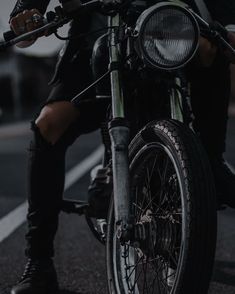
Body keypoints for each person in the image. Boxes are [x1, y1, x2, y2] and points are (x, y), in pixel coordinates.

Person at [8, 0, 235, 293]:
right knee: (49, 125)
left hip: (167, 30)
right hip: (97, 37)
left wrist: (227, 28)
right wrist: (26, 19)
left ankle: (210, 160)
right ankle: (39, 263)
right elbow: (26, 22)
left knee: (210, 50)